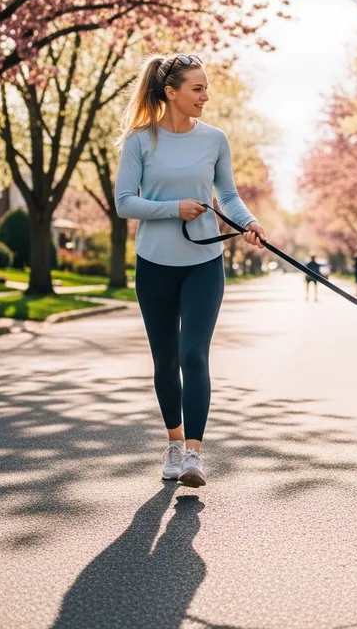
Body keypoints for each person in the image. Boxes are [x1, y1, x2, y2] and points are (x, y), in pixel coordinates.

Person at [114, 53, 266, 488]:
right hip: (154, 264)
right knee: (165, 359)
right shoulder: (140, 141)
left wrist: (248, 222)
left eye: (205, 88)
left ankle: (195, 454)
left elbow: (228, 196)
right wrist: (172, 209)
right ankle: (174, 444)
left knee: (193, 354)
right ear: (171, 92)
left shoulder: (215, 139)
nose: (205, 96)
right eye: (196, 88)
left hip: (203, 264)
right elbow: (125, 202)